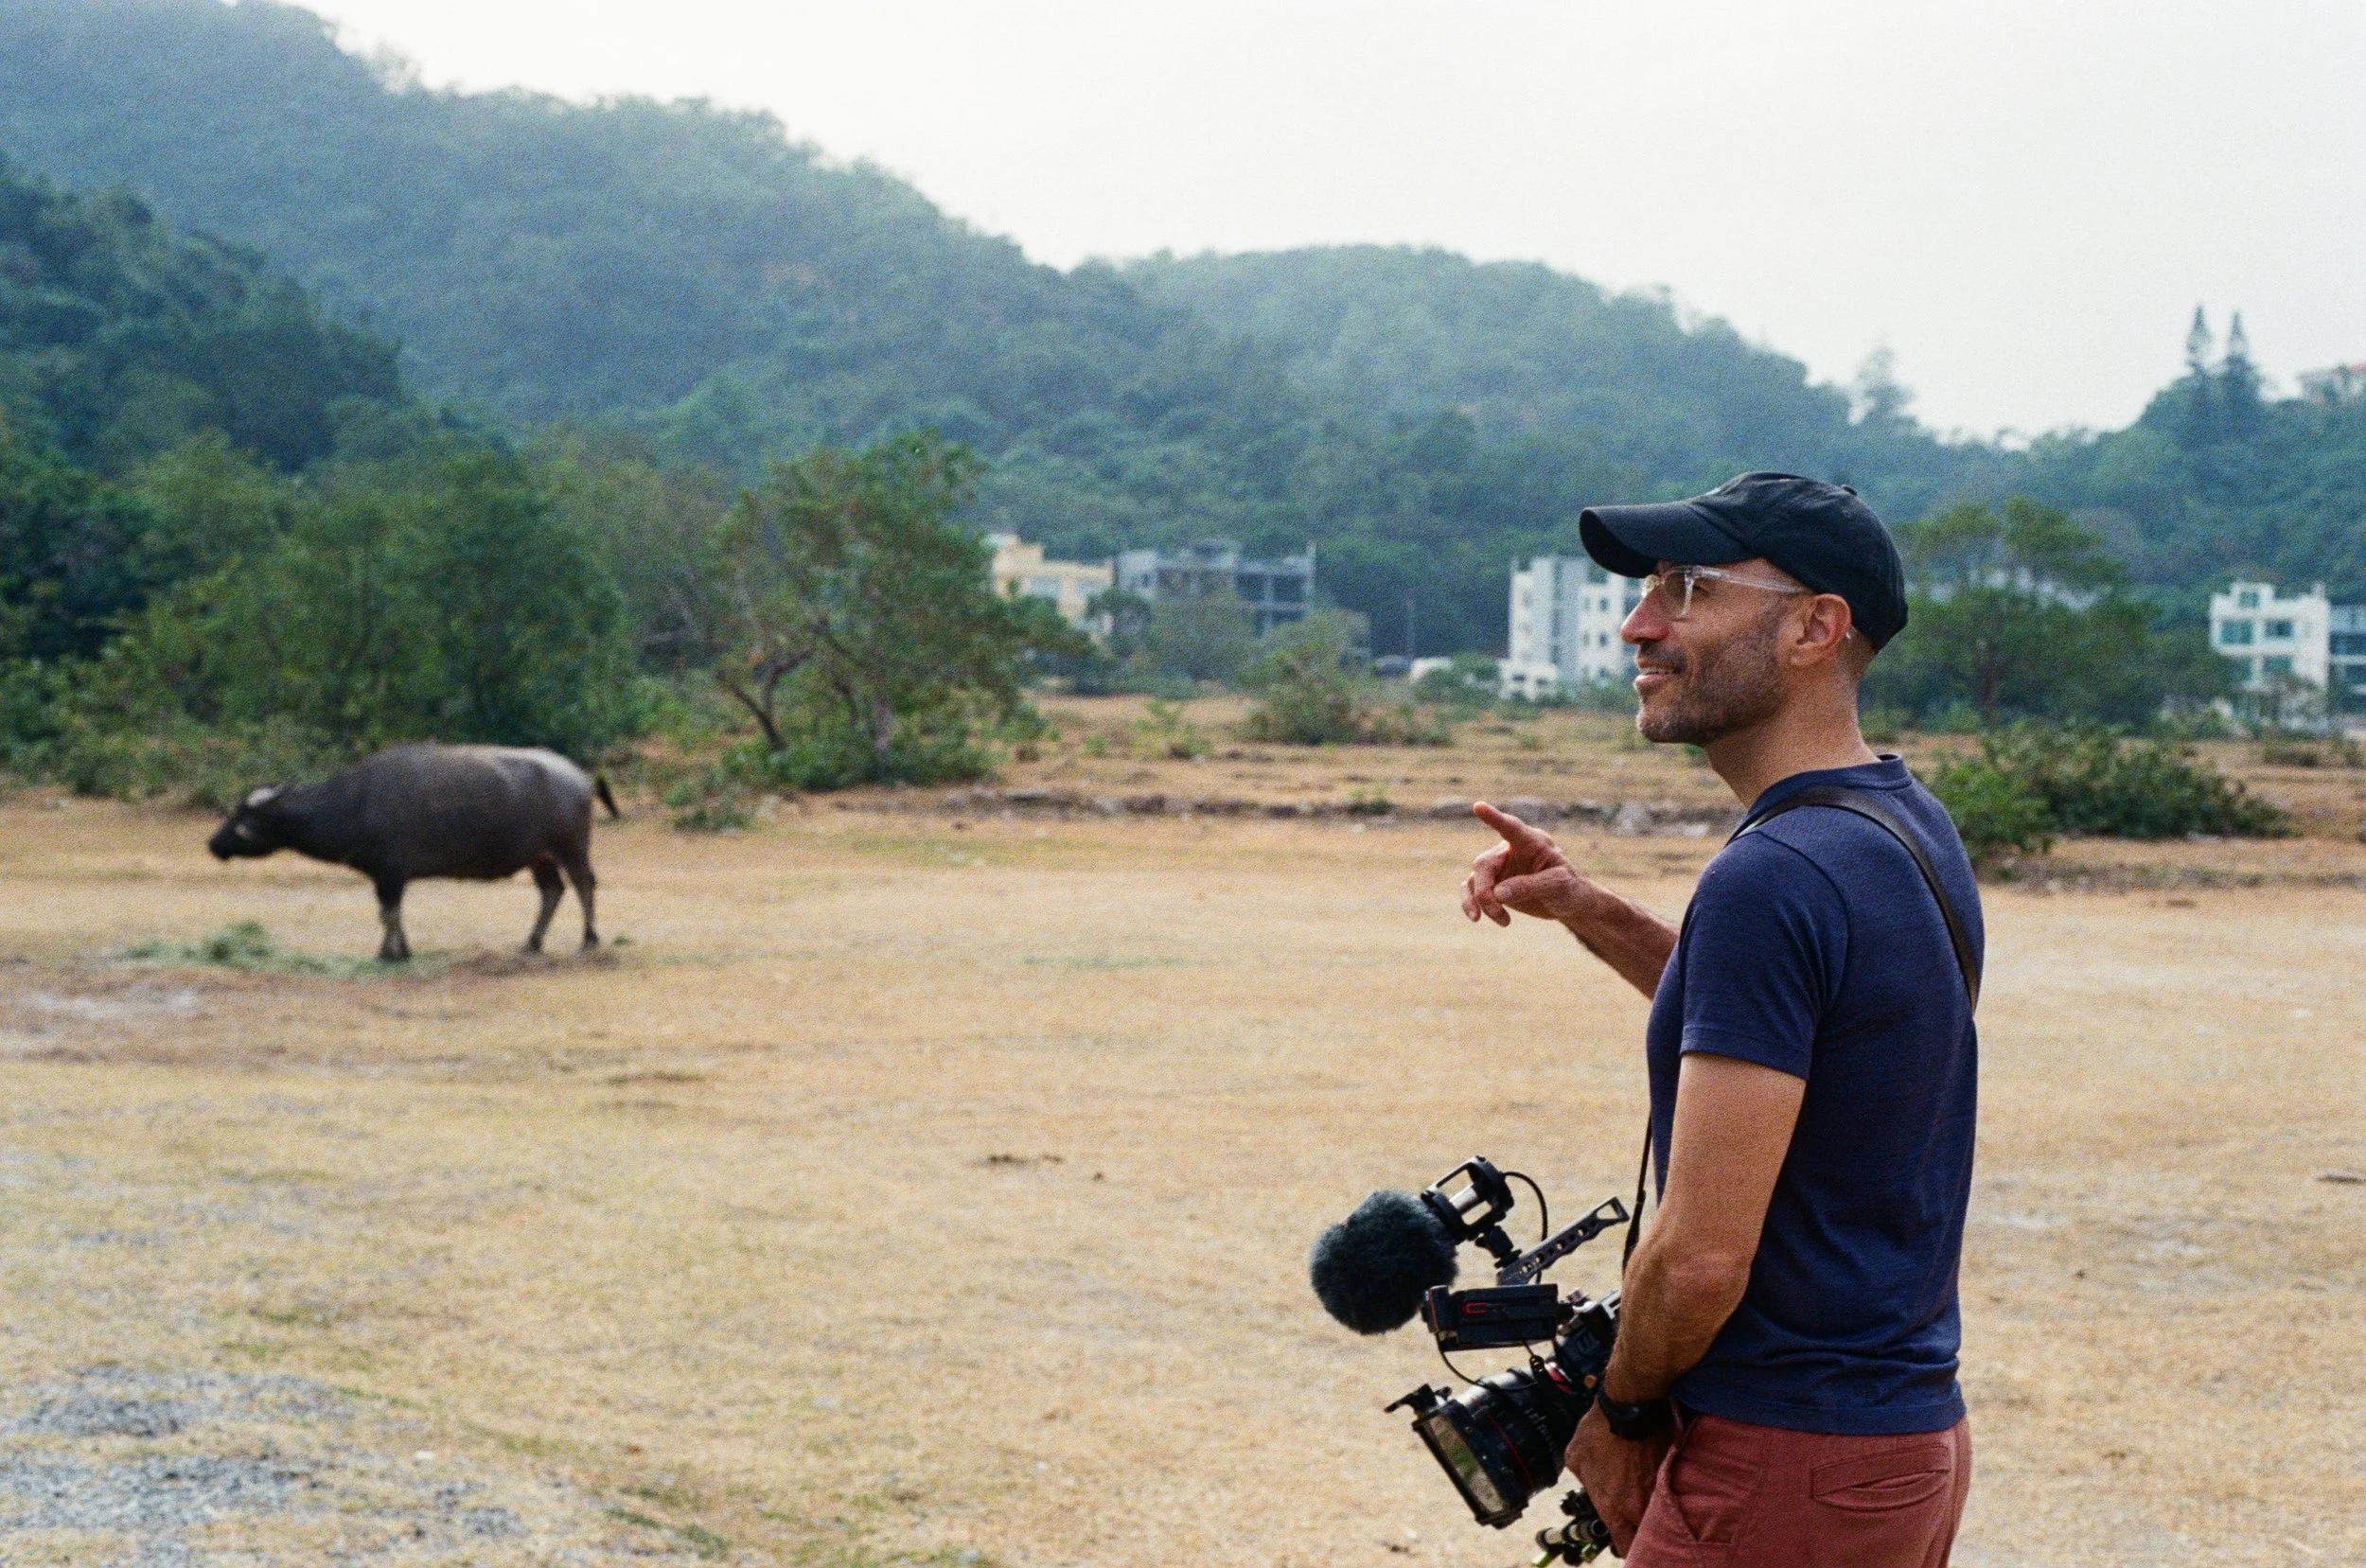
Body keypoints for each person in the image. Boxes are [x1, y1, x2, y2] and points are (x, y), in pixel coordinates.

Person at [1459, 472, 1980, 1567]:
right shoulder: (1896, 822)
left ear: (1813, 627)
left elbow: (1697, 1256)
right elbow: (1799, 1033)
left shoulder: (1775, 875)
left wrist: (1623, 1414)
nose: (1637, 623)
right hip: (1890, 1444)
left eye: (1685, 588)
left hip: (1777, 1455)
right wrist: (1587, 909)